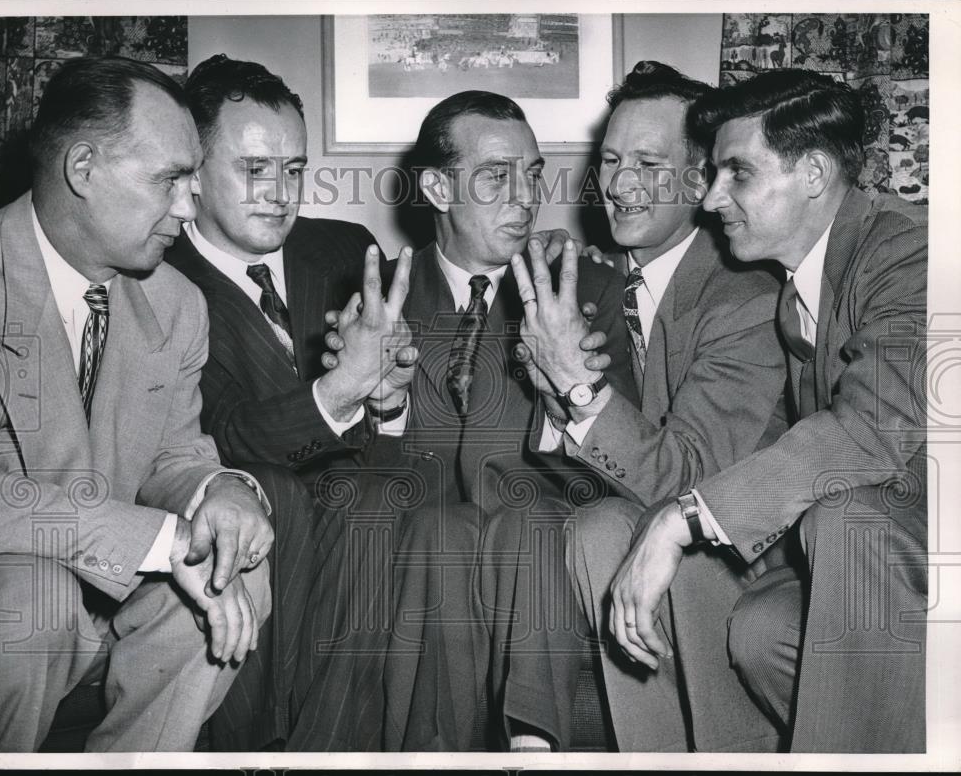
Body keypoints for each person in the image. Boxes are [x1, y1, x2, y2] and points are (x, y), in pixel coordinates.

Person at [164, 58, 575, 751]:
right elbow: (211, 436)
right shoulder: (162, 281)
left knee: (399, 512)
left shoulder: (342, 248)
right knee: (368, 512)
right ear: (192, 174)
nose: (279, 193)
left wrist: (385, 402)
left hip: (374, 503)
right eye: (254, 169)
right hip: (268, 511)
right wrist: (340, 392)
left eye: (295, 169)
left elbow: (392, 426)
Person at [611, 68, 927, 752]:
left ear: (812, 172)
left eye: (738, 174)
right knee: (760, 631)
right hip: (883, 540)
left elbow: (873, 429)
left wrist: (683, 518)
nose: (712, 197)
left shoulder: (910, 251)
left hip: (915, 536)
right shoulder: (795, 291)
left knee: (850, 520)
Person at [320, 90, 636, 751]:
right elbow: (350, 484)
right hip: (425, 541)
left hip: (535, 537)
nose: (525, 198)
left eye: (534, 174)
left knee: (518, 521)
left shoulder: (587, 291)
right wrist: (384, 406)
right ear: (437, 186)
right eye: (497, 176)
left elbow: (622, 476)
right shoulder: (378, 300)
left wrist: (565, 403)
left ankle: (532, 743)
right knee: (440, 531)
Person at [0, 56, 273, 752]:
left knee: (237, 573)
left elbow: (173, 453)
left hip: (101, 595)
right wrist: (163, 541)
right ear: (83, 168)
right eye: (169, 180)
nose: (188, 206)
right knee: (36, 600)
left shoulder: (175, 303)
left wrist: (220, 490)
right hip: (4, 594)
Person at [506, 60, 789, 752]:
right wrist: (553, 384)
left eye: (647, 163)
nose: (620, 185)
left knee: (617, 531)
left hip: (748, 544)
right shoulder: (600, 276)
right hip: (649, 515)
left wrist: (577, 388)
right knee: (593, 525)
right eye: (608, 161)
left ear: (701, 182)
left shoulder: (743, 296)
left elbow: (690, 480)